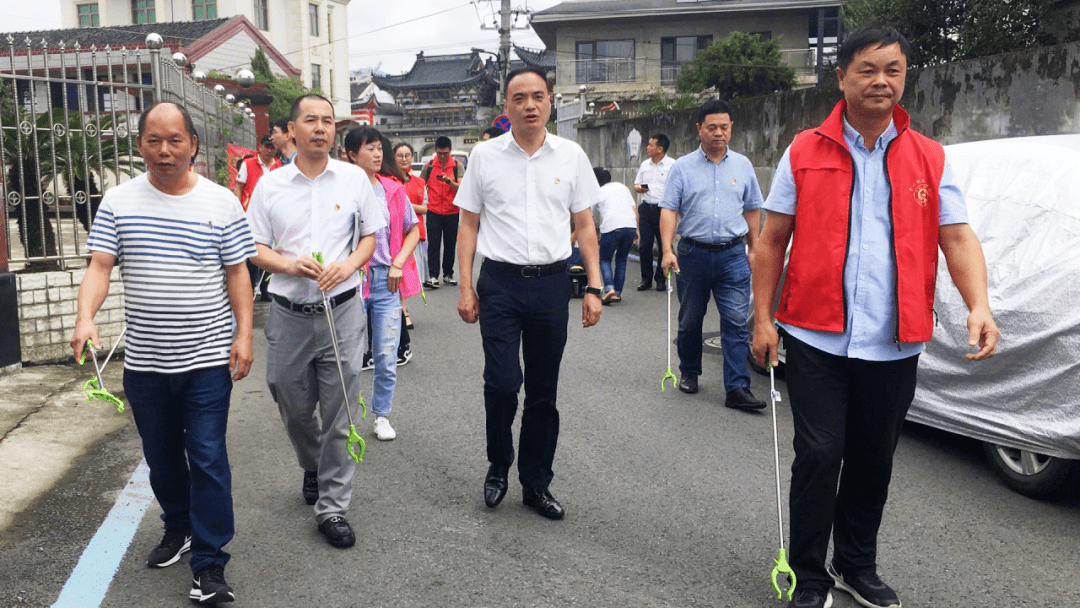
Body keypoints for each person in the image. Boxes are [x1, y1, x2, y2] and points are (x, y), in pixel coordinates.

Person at [751, 27, 999, 608]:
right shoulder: (804, 150)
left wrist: (979, 304)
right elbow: (771, 242)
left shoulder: (928, 157)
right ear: (841, 77)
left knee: (873, 460)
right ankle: (809, 574)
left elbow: (956, 237)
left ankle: (856, 563)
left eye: (893, 70)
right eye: (867, 69)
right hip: (815, 334)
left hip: (894, 341)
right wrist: (762, 318)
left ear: (905, 76)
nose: (881, 81)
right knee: (819, 453)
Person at [70, 101, 255, 604]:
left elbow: (238, 272)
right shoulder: (119, 201)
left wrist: (244, 334)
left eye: (175, 140)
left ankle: (210, 565)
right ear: (140, 146)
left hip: (207, 358)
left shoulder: (221, 203)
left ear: (193, 144)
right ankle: (179, 524)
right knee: (161, 457)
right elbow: (100, 266)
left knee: (209, 456)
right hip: (147, 363)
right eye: (154, 140)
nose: (165, 150)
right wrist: (86, 317)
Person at [456, 67, 604, 520]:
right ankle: (498, 464)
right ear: (507, 106)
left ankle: (536, 481)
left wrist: (595, 286)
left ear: (550, 101)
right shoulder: (484, 156)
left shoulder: (571, 155)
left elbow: (584, 225)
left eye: (538, 96)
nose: (530, 105)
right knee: (502, 384)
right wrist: (464, 285)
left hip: (551, 283)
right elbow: (468, 223)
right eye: (519, 97)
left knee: (544, 388)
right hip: (499, 282)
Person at [247, 95, 385, 549]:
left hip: (342, 311)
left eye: (328, 121)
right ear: (292, 129)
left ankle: (333, 508)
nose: (321, 128)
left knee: (340, 409)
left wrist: (348, 267)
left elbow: (369, 236)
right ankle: (313, 463)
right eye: (311, 120)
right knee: (288, 396)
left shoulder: (354, 180)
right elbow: (255, 248)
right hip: (288, 314)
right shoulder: (270, 186)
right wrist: (287, 265)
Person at [659, 100, 766, 408]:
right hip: (693, 254)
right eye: (712, 127)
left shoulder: (743, 166)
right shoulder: (682, 167)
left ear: (731, 128)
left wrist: (753, 247)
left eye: (725, 127)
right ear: (699, 129)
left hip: (733, 255)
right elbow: (669, 210)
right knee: (691, 320)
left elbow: (751, 209)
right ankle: (690, 371)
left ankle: (737, 388)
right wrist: (666, 250)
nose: (719, 133)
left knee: (734, 322)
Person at [344, 128, 421, 442]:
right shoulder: (341, 190)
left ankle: (381, 416)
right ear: (351, 154)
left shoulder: (393, 189)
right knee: (347, 356)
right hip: (350, 283)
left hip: (385, 284)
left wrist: (398, 262)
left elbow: (413, 229)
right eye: (369, 149)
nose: (378, 154)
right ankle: (343, 416)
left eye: (379, 148)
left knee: (386, 354)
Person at [235, 134, 282, 297]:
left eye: (272, 147)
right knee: (253, 250)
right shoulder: (248, 164)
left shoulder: (279, 165)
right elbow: (239, 187)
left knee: (270, 251)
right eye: (267, 147)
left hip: (272, 214)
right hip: (250, 213)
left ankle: (266, 288)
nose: (270, 150)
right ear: (259, 147)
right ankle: (248, 285)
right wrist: (238, 209)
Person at [633, 133, 675, 291]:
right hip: (646, 207)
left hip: (664, 210)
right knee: (645, 245)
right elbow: (636, 184)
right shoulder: (645, 164)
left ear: (660, 149)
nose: (647, 148)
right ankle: (646, 279)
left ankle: (661, 279)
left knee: (665, 244)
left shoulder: (673, 165)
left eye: (651, 145)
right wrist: (638, 188)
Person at [393, 141, 426, 330]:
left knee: (409, 276)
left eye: (407, 155)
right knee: (398, 272)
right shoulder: (388, 180)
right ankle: (403, 311)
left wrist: (405, 205)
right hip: (395, 236)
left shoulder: (419, 182)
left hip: (415, 234)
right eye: (400, 155)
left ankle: (402, 307)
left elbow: (427, 207)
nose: (404, 159)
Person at [421, 136, 462, 287]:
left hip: (452, 211)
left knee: (450, 244)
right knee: (434, 244)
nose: (442, 157)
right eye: (439, 153)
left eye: (445, 153)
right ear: (435, 152)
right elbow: (420, 186)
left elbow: (461, 187)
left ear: (450, 151)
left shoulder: (457, 166)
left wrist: (449, 181)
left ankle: (448, 274)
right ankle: (433, 276)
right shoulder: (429, 166)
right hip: (433, 210)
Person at [593, 166, 638, 304]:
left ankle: (609, 288)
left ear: (597, 179)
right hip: (630, 225)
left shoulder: (596, 192)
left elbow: (587, 216)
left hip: (612, 226)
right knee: (621, 259)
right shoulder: (621, 187)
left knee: (605, 259)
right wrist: (636, 230)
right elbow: (634, 209)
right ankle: (617, 293)